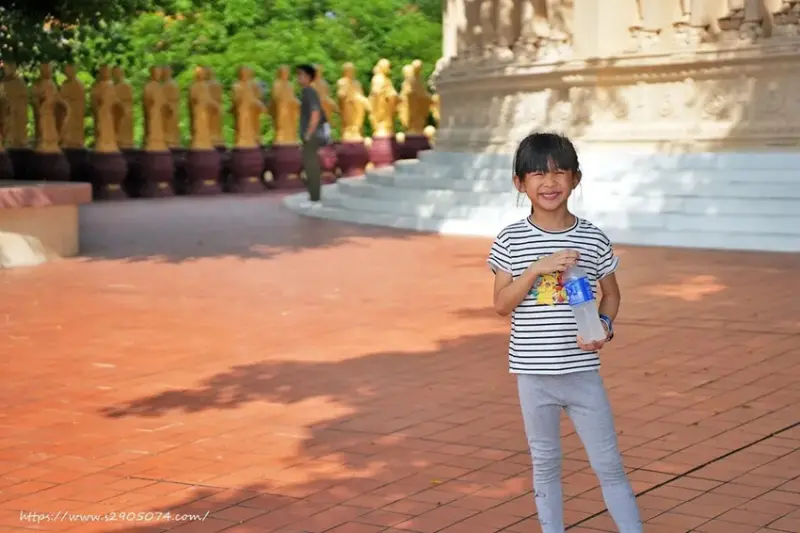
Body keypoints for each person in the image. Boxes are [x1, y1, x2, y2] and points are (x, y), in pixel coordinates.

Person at [488, 133, 642, 533]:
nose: (549, 182)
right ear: (519, 183)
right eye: (537, 174)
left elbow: (611, 294)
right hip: (533, 375)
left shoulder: (592, 236)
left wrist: (604, 326)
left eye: (559, 172)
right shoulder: (511, 240)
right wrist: (536, 269)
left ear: (576, 178)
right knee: (545, 464)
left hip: (582, 374)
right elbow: (502, 304)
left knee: (608, 464)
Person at [295, 63, 330, 204]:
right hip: (311, 133)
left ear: (308, 77)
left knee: (311, 165)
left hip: (312, 134)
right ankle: (313, 195)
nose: (298, 78)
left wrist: (309, 133)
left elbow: (315, 112)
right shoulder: (306, 92)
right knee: (310, 164)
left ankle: (315, 197)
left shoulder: (309, 92)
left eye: (301, 75)